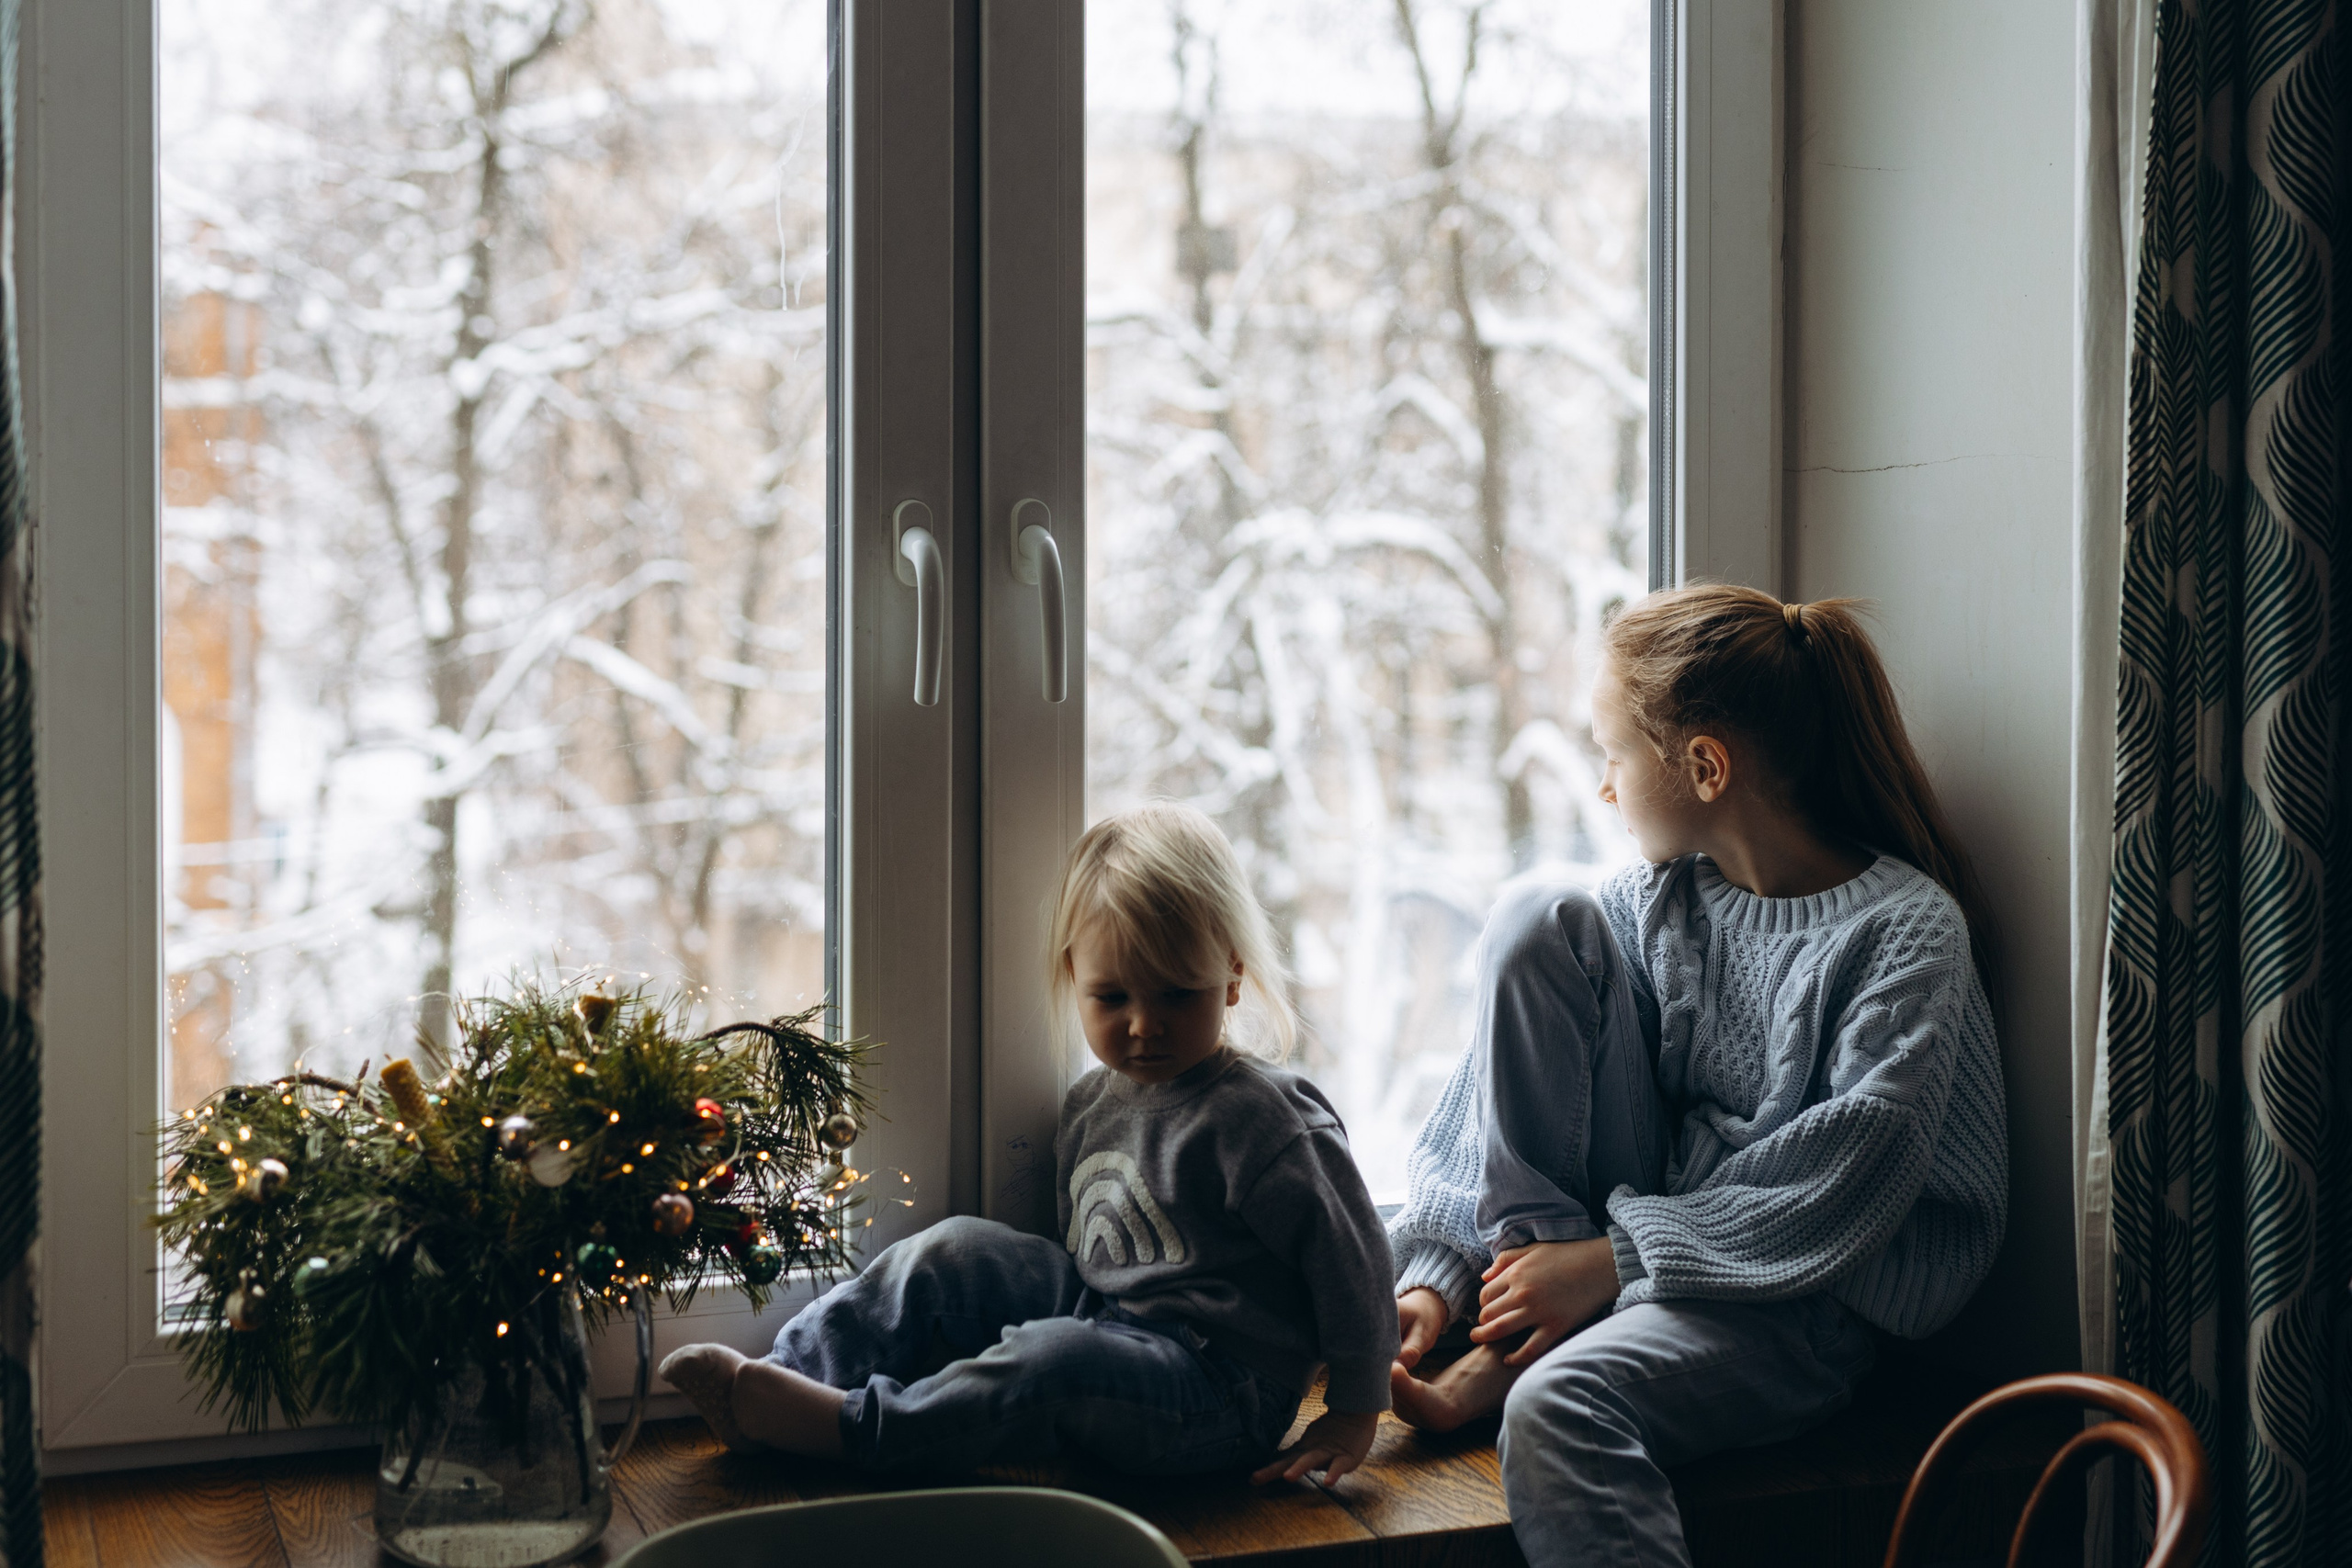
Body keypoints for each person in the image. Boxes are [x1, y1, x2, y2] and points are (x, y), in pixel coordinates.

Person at [1385, 585, 2007, 1568]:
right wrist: (1440, 1276)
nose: (1603, 788)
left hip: (1809, 1290)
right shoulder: (1660, 901)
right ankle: (1515, 1327)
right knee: (1538, 915)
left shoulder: (1903, 931)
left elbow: (1842, 1188)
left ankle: (1533, 1361)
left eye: (1612, 755)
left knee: (1561, 1411)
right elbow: (1500, 1095)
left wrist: (1613, 1260)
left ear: (1705, 766)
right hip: (1660, 1236)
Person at [661, 802, 1398, 1481]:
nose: (1145, 1024)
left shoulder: (1264, 1119)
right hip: (1106, 1318)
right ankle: (786, 1381)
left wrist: (1356, 1408)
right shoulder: (1089, 1104)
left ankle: (857, 1431)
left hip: (1219, 1389)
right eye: (1113, 997)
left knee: (1056, 1360)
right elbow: (1091, 1260)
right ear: (1075, 978)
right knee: (954, 1249)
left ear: (1232, 979)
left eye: (1179, 993)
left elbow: (1354, 1259)